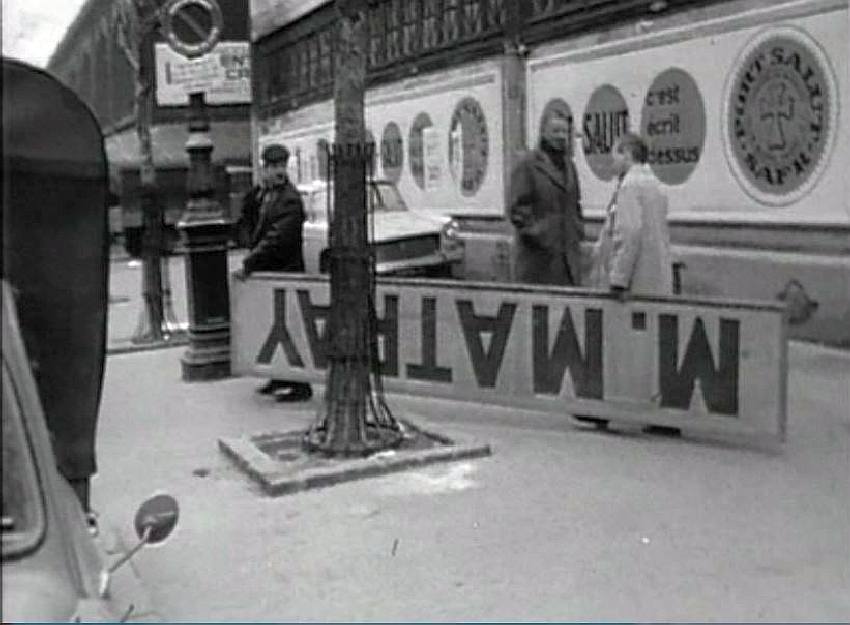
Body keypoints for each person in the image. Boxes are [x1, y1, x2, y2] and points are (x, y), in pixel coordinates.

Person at [585, 132, 680, 436]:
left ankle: (607, 409)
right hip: (655, 277)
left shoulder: (630, 187)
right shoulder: (655, 185)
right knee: (651, 346)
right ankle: (659, 413)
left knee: (618, 344)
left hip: (634, 281)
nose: (612, 161)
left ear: (627, 153)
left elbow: (630, 233)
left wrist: (618, 279)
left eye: (615, 154)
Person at [234, 143, 313, 402]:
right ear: (264, 168)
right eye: (274, 167)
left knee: (291, 329)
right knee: (274, 327)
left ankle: (301, 385)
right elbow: (249, 226)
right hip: (270, 275)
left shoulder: (290, 199)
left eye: (282, 166)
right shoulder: (262, 196)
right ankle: (280, 376)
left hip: (286, 273)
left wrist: (249, 262)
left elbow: (277, 239)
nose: (280, 171)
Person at [509, 109, 583, 286]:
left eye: (564, 132)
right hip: (538, 263)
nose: (561, 136)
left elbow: (575, 204)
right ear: (543, 132)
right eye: (556, 131)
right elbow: (517, 210)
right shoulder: (527, 164)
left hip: (568, 263)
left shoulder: (569, 167)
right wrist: (542, 234)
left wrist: (577, 230)